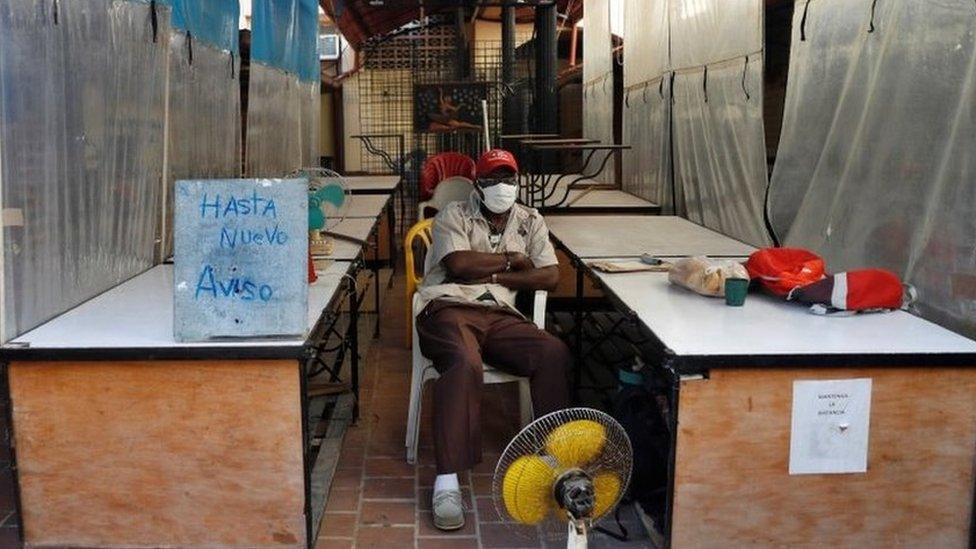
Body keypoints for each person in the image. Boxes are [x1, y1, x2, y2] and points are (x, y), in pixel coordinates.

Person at [415, 149, 572, 530]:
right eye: (492, 180)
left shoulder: (530, 220)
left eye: (509, 179)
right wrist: (511, 262)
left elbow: (550, 276)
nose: (502, 187)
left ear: (517, 181)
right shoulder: (453, 214)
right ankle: (447, 481)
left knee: (552, 351)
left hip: (499, 312)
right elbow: (458, 266)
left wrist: (497, 279)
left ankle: (553, 459)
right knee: (463, 363)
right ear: (478, 185)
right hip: (448, 307)